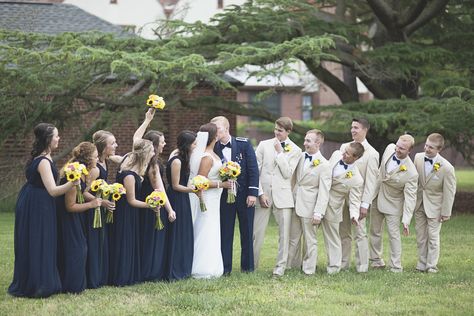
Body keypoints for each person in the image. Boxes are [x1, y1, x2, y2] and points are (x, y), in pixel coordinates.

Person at [8, 123, 78, 298]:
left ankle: (37, 280)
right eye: (56, 135)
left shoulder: (41, 158)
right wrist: (73, 183)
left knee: (38, 240)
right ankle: (39, 284)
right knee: (40, 240)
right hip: (38, 205)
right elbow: (53, 190)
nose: (59, 138)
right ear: (48, 139)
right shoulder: (44, 161)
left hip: (33, 200)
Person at [211, 116, 259, 275]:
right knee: (225, 232)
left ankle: (248, 268)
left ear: (226, 128)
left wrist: (253, 193)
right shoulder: (213, 147)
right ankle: (225, 269)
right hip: (224, 196)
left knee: (247, 231)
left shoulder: (244, 144)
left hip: (245, 195)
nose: (215, 132)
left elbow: (253, 169)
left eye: (217, 129)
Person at [254, 117, 302, 276]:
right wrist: (260, 193)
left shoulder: (296, 150)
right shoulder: (263, 145)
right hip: (264, 194)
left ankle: (280, 268)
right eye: (275, 129)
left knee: (284, 234)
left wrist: (280, 154)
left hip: (283, 195)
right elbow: (256, 172)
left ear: (288, 132)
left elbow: (288, 173)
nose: (276, 132)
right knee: (256, 232)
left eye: (280, 130)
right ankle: (252, 265)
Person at [56, 142, 102, 293]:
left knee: (78, 248)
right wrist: (92, 204)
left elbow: (80, 195)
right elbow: (70, 206)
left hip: (75, 216)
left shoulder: (82, 171)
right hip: (68, 217)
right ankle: (73, 287)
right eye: (95, 156)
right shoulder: (74, 173)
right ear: (88, 158)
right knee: (77, 249)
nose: (97, 159)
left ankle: (74, 284)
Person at [108, 139, 156, 286]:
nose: (153, 153)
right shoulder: (129, 175)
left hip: (131, 213)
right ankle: (122, 276)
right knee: (124, 241)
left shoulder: (135, 169)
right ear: (145, 154)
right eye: (151, 151)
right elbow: (132, 200)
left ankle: (129, 273)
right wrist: (151, 205)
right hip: (125, 213)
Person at [369, 134, 418, 272]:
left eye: (402, 148)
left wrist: (406, 219)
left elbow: (410, 197)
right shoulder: (390, 148)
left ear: (409, 151)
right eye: (397, 145)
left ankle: (396, 266)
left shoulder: (412, 173)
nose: (397, 149)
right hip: (377, 196)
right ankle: (376, 260)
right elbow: (380, 172)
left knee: (393, 235)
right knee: (374, 230)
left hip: (393, 204)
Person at [288, 129, 331, 275]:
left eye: (308, 141)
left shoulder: (324, 165)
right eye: (305, 140)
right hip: (294, 202)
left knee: (310, 239)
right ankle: (292, 266)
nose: (304, 143)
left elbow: (324, 191)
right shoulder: (300, 157)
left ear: (318, 143)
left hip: (310, 206)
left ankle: (308, 269)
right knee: (293, 238)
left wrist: (318, 212)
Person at [339, 118, 379, 273]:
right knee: (343, 232)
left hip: (358, 200)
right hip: (342, 197)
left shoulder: (372, 154)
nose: (353, 130)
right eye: (352, 127)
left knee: (360, 233)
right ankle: (343, 264)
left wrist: (365, 204)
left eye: (356, 127)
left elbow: (371, 182)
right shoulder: (344, 147)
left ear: (365, 130)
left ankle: (362, 266)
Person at [191, 123, 230, 278]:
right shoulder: (207, 158)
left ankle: (214, 266)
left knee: (213, 230)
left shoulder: (213, 154)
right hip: (207, 199)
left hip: (215, 199)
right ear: (214, 137)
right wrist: (223, 184)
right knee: (205, 229)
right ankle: (202, 268)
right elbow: (200, 182)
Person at [413, 133, 456, 273]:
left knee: (433, 237)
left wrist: (446, 212)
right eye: (426, 145)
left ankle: (431, 265)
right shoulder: (418, 158)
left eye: (431, 147)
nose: (426, 149)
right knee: (420, 236)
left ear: (439, 149)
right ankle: (421, 263)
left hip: (435, 207)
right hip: (419, 204)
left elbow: (449, 192)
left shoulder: (447, 167)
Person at [321, 143, 365, 274]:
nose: (343, 154)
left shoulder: (357, 179)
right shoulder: (335, 155)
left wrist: (354, 216)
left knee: (333, 238)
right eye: (344, 151)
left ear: (355, 157)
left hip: (333, 206)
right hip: (318, 200)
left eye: (347, 153)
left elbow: (355, 200)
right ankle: (305, 263)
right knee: (309, 233)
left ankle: (334, 268)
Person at [139, 130, 176, 282]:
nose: (164, 144)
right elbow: (159, 188)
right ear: (154, 145)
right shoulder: (153, 165)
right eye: (162, 142)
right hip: (154, 204)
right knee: (152, 238)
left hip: (147, 202)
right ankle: (151, 272)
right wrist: (170, 209)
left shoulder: (144, 161)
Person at [165, 130, 196, 281]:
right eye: (194, 143)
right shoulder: (177, 160)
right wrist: (193, 189)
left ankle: (184, 267)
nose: (196, 146)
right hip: (176, 198)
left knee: (185, 232)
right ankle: (176, 269)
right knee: (178, 233)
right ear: (187, 144)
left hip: (183, 197)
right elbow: (176, 185)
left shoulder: (183, 157)